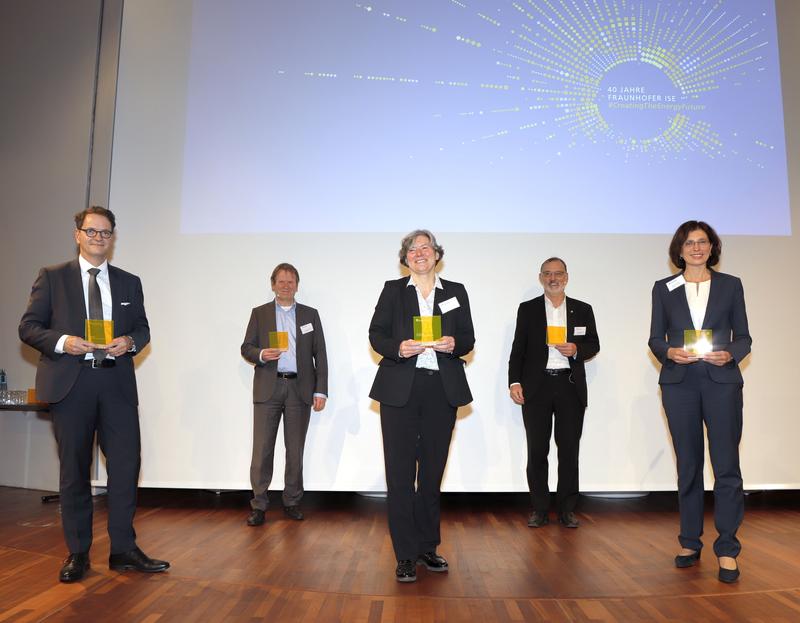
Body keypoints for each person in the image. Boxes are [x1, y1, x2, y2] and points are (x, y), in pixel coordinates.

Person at [19, 206, 169, 583]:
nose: (98, 238)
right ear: (77, 235)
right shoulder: (52, 277)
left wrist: (130, 341)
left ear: (112, 237)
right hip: (72, 385)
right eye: (92, 231)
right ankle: (78, 553)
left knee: (125, 468)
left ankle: (123, 550)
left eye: (106, 232)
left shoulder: (129, 282)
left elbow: (143, 328)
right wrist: (65, 341)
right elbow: (29, 327)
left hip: (116, 384)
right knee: (74, 472)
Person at [368, 229, 474, 583]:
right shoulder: (393, 291)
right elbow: (376, 334)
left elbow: (469, 339)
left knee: (431, 474)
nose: (419, 253)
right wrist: (400, 347)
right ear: (405, 257)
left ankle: (428, 546)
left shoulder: (455, 292)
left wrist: (453, 343)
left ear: (437, 254)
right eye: (412, 249)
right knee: (399, 477)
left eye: (425, 247)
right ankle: (404, 555)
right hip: (400, 391)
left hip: (441, 391)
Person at [649, 220, 751, 583]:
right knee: (688, 465)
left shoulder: (730, 285)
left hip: (721, 382)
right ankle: (690, 542)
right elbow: (655, 340)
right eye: (690, 243)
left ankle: (727, 548)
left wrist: (731, 355)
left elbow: (744, 338)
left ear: (712, 247)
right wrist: (669, 350)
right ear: (679, 249)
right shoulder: (664, 288)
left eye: (703, 242)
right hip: (679, 384)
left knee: (726, 467)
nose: (696, 248)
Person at [508, 258, 600, 529]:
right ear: (540, 278)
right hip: (537, 387)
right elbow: (518, 349)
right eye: (547, 274)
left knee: (569, 450)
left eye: (558, 273)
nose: (553, 278)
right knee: (537, 450)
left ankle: (567, 509)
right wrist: (514, 382)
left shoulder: (583, 309)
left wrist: (577, 350)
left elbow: (593, 343)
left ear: (567, 277)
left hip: (569, 385)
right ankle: (538, 508)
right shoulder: (528, 309)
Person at [241, 263, 328, 525]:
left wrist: (321, 389)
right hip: (269, 386)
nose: (286, 286)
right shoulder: (260, 313)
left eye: (291, 282)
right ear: (273, 285)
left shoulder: (310, 315)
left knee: (295, 449)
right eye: (281, 281)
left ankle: (291, 501)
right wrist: (260, 354)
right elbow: (246, 347)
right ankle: (259, 505)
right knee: (262, 449)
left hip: (299, 389)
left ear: (297, 286)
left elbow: (320, 355)